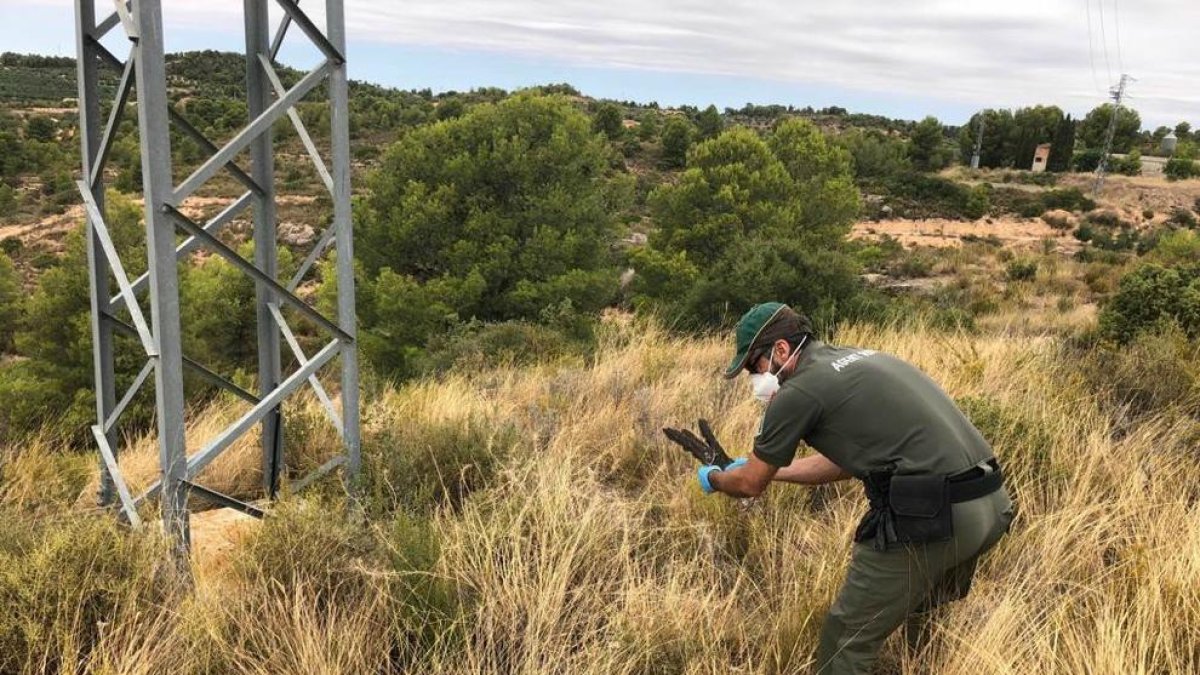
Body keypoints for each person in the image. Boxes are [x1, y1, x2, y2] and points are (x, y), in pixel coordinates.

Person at [663, 302, 1014, 675]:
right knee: (924, 608)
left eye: (754, 366)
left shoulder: (798, 391)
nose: (755, 378)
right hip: (991, 504)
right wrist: (771, 470)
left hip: (933, 516)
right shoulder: (862, 359)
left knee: (846, 637)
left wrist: (716, 478)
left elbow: (750, 484)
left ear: (781, 349)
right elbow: (849, 461)